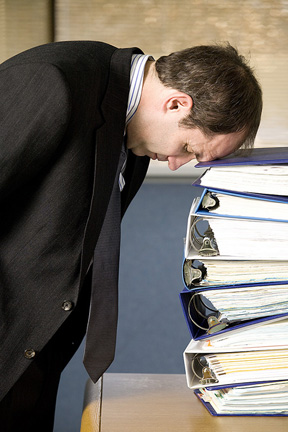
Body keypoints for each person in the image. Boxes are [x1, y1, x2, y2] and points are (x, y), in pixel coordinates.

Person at [0, 40, 262, 431]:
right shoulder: (52, 83)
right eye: (188, 147)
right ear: (176, 104)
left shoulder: (131, 128)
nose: (175, 164)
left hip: (32, 355)